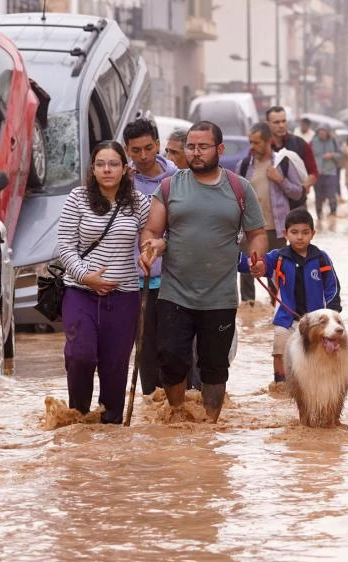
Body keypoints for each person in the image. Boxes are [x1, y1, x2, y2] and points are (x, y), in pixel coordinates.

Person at [139, 121, 268, 423]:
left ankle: (210, 426)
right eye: (191, 147)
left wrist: (257, 257)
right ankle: (177, 415)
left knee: (214, 367)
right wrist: (151, 247)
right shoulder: (170, 186)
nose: (195, 153)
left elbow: (257, 232)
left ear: (219, 149)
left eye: (203, 147)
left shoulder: (239, 188)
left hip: (220, 297)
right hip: (175, 293)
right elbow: (152, 230)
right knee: (171, 359)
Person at [58, 141, 150, 424]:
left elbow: (153, 235)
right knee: (80, 355)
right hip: (80, 291)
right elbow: (64, 246)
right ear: (93, 169)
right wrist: (86, 277)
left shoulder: (139, 202)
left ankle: (110, 427)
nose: (107, 169)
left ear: (125, 169)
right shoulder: (77, 198)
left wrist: (148, 252)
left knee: (115, 366)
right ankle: (79, 418)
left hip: (124, 297)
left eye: (113, 164)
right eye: (100, 164)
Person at [249, 208, 341, 383]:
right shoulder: (278, 258)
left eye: (305, 232)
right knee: (279, 352)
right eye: (294, 232)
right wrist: (253, 264)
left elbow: (333, 288)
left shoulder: (321, 258)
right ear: (285, 233)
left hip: (316, 322)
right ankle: (280, 386)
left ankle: (315, 385)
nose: (300, 237)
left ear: (313, 233)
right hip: (286, 319)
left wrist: (332, 315)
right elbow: (258, 265)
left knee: (318, 354)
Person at [123, 118, 176, 396]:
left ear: (158, 145)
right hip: (135, 281)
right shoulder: (122, 182)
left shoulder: (177, 179)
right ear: (127, 150)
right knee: (144, 350)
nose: (143, 156)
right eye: (135, 150)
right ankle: (151, 404)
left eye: (148, 148)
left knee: (173, 347)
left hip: (172, 280)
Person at [237, 122, 303, 304]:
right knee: (247, 272)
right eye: (250, 142)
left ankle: (277, 309)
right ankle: (248, 311)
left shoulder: (283, 163)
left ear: (269, 142)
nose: (252, 147)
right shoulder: (243, 165)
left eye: (256, 143)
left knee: (276, 272)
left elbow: (298, 192)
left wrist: (280, 180)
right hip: (250, 228)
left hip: (277, 228)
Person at [265, 106, 318, 209]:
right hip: (271, 206)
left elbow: (313, 173)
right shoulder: (262, 147)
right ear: (268, 124)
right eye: (276, 122)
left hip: (297, 204)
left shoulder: (300, 144)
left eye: (284, 121)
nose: (281, 125)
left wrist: (301, 189)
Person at [310, 125, 340, 220]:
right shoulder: (313, 142)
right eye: (320, 131)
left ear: (328, 132)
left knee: (332, 195)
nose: (322, 133)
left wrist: (332, 155)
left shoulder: (333, 141)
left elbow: (341, 154)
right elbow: (307, 156)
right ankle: (319, 217)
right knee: (318, 197)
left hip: (331, 172)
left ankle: (333, 216)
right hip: (317, 173)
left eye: (324, 131)